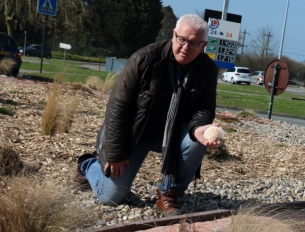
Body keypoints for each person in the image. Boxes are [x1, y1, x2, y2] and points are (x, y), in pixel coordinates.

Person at [71, 14, 222, 216]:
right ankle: (87, 165)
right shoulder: (145, 58)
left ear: (203, 46)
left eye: (194, 43)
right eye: (182, 40)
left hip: (173, 135)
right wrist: (115, 153)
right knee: (111, 197)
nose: (186, 47)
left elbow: (204, 108)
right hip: (135, 134)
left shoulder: (208, 70)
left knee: (197, 140)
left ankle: (170, 194)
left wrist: (198, 128)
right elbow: (117, 107)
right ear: (173, 35)